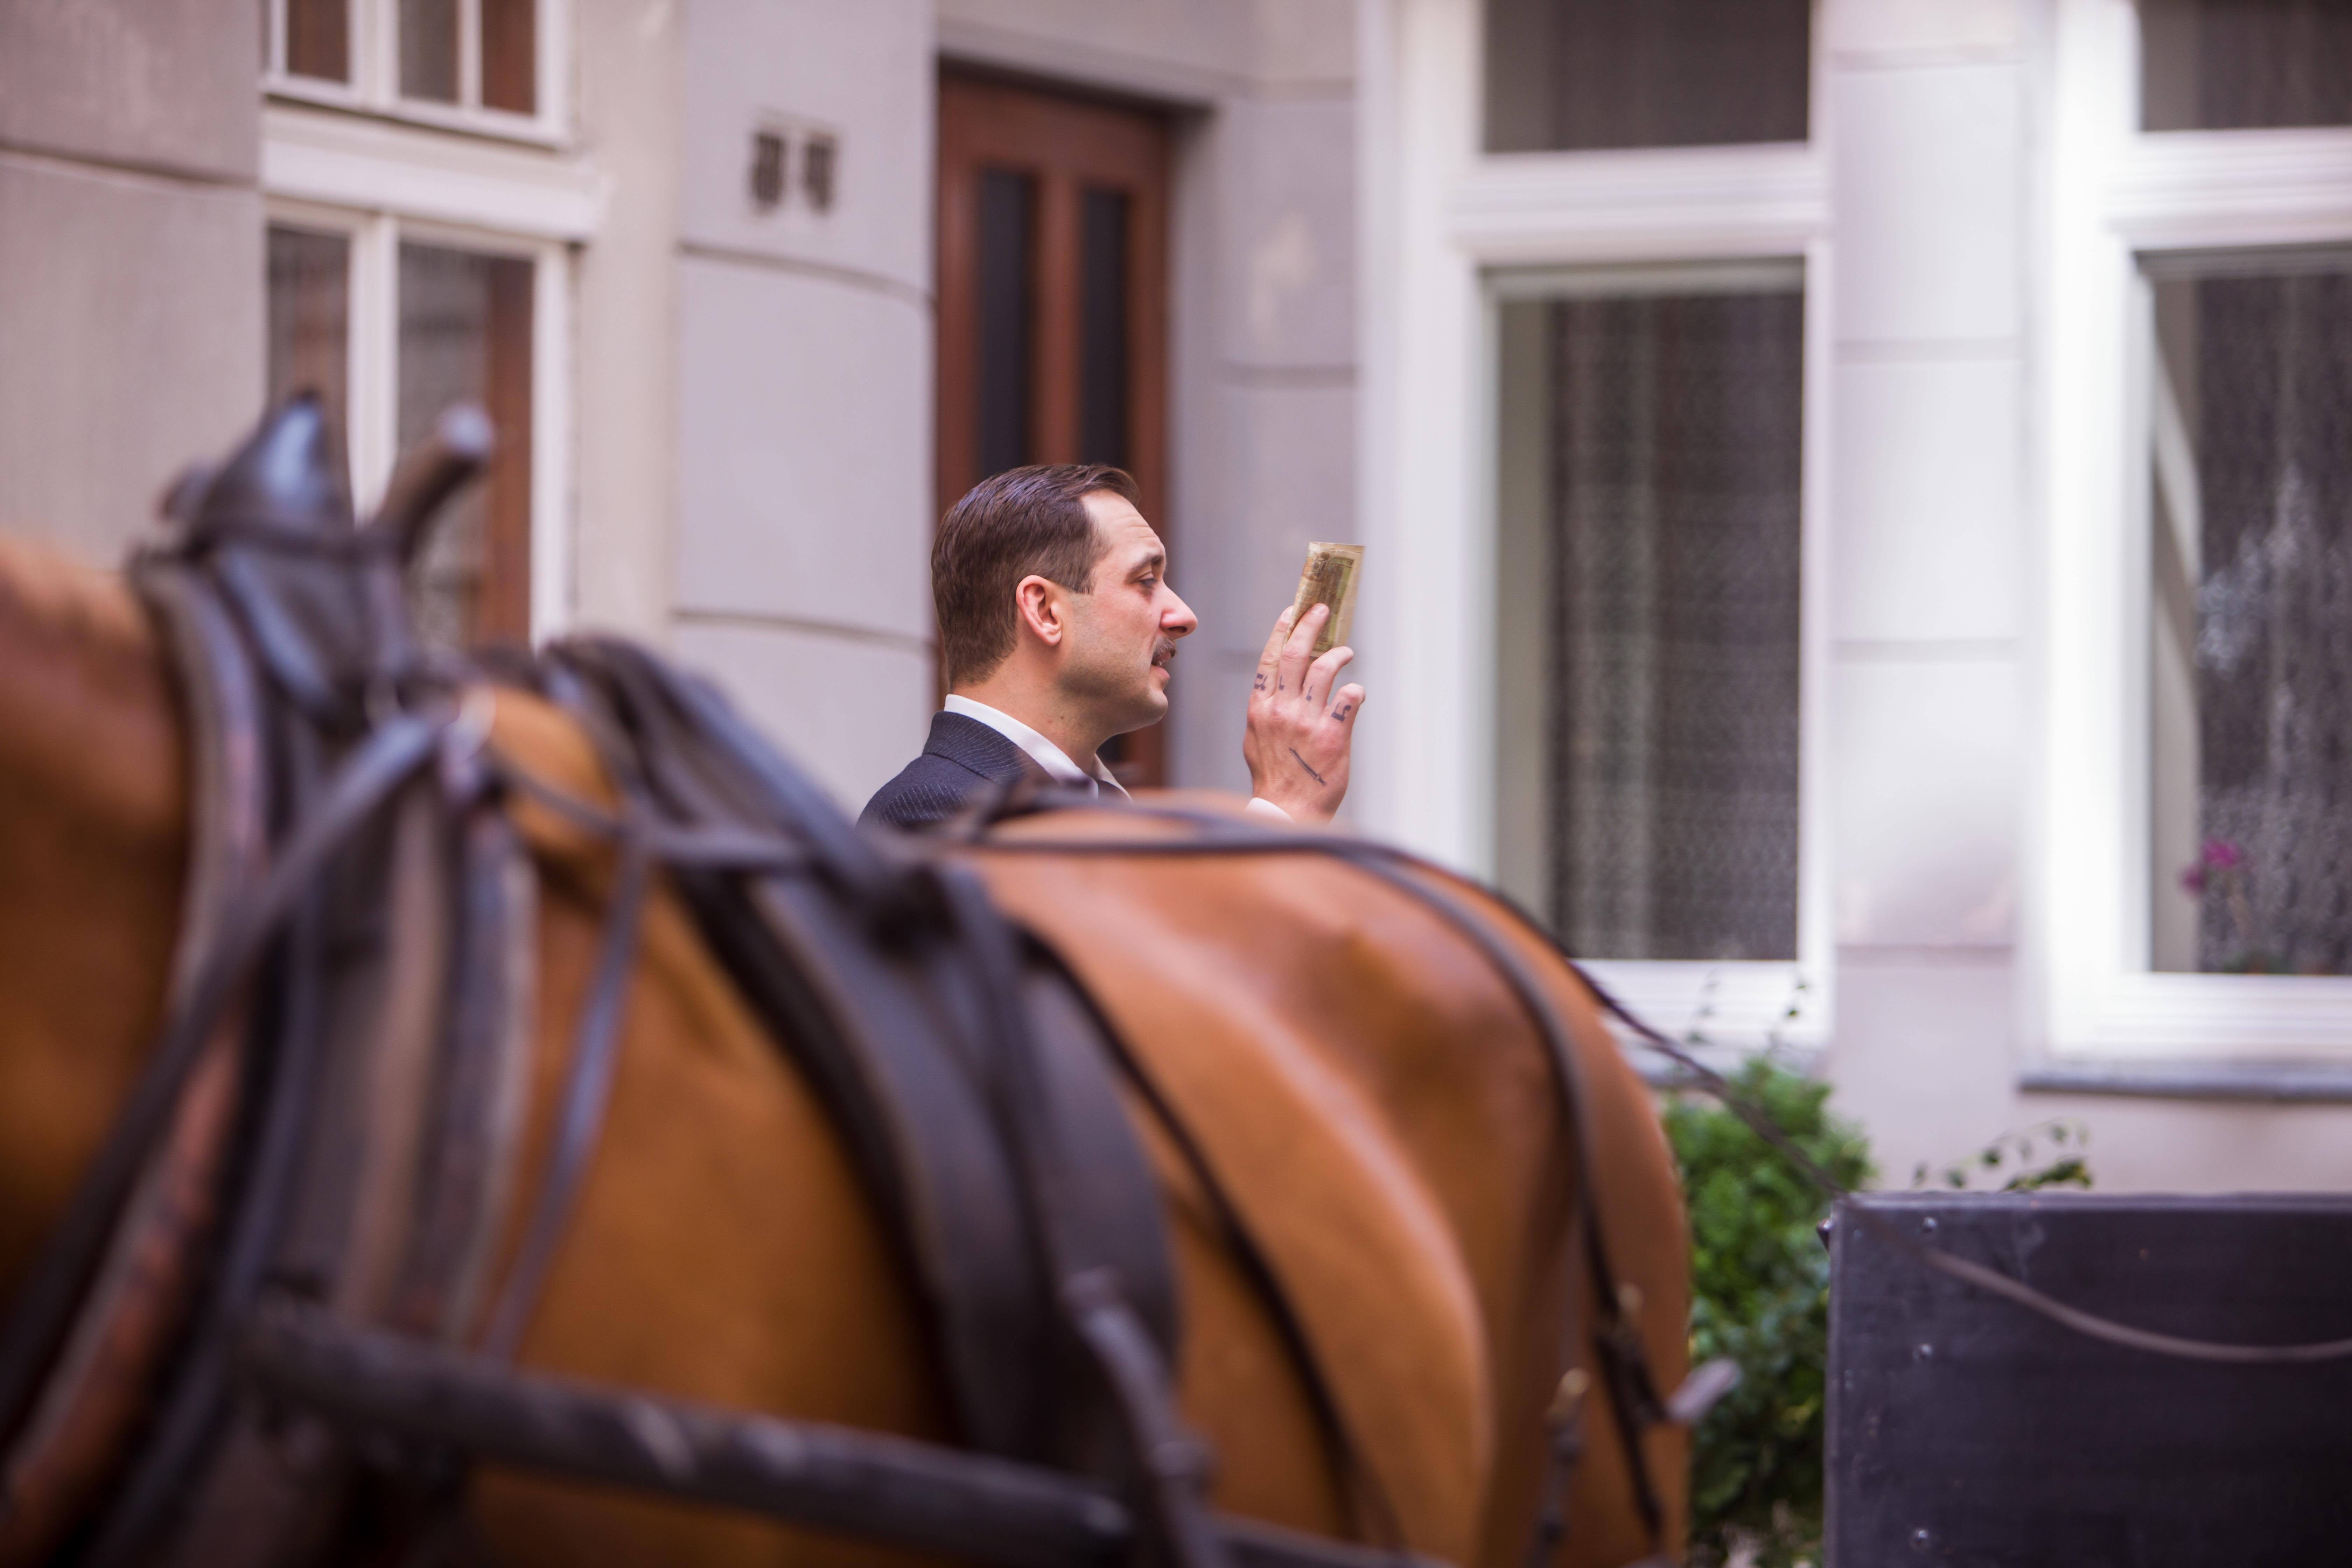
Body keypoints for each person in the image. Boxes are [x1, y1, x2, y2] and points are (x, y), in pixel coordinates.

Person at [860, 464, 1364, 831]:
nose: (1184, 617)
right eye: (1146, 581)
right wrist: (1278, 812)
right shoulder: (933, 819)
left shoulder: (1109, 815)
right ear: (1044, 611)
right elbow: (1152, 978)